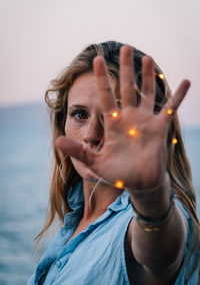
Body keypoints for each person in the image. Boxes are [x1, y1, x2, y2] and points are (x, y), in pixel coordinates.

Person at [28, 41, 200, 284]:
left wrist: (152, 202)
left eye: (111, 116)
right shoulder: (77, 221)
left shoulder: (142, 220)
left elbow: (160, 256)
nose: (91, 133)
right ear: (62, 125)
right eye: (79, 114)